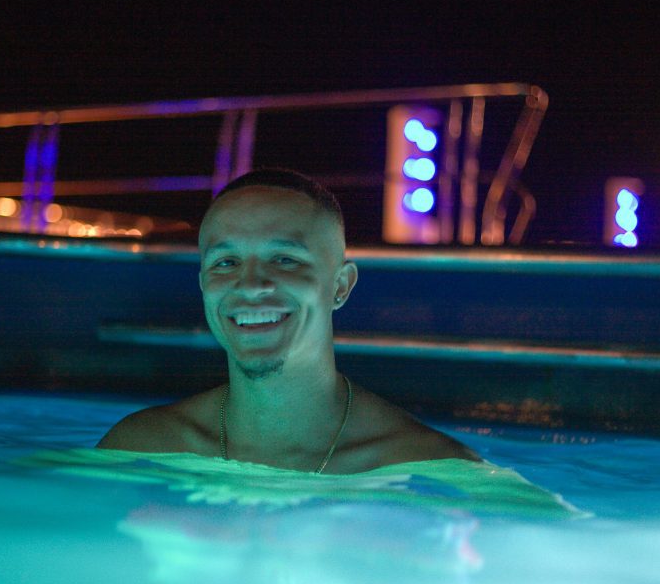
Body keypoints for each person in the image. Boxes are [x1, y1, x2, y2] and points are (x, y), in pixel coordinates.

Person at [98, 169, 479, 473]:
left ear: (340, 286)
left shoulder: (428, 468)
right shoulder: (141, 447)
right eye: (225, 263)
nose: (250, 286)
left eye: (284, 259)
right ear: (203, 286)